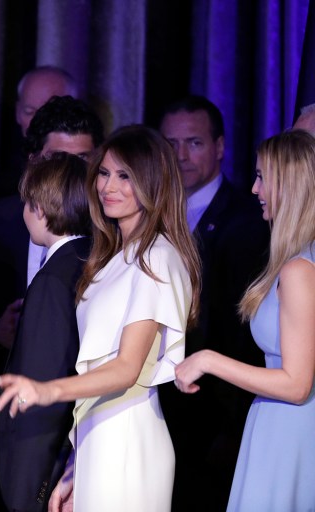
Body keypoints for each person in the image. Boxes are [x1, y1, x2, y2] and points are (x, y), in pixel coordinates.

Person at [0, 125, 202, 512]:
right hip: (95, 437)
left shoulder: (156, 256)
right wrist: (75, 465)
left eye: (125, 176)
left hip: (127, 440)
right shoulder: (111, 258)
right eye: (104, 173)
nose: (108, 186)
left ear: (152, 183)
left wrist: (47, 390)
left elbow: (125, 368)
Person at [0, 95, 103, 511]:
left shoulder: (65, 271)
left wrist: (31, 489)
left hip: (41, 459)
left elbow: (45, 391)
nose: (72, 173)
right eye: (59, 161)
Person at [176, 128, 315, 510]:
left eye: (262, 177)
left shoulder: (299, 270)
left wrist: (208, 360)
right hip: (276, 424)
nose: (255, 189)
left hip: (290, 431)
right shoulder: (295, 262)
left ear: (290, 185)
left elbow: (297, 384)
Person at [158, 95, 269, 511]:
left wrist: (230, 428)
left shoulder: (250, 219)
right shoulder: (145, 212)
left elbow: (246, 333)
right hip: (156, 404)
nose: (181, 156)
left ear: (220, 147)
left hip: (213, 418)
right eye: (170, 144)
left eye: (194, 143)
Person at [0, 152, 91, 512]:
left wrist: (29, 485)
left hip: (40, 459)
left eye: (27, 202)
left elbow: (41, 381)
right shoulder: (86, 258)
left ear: (41, 208)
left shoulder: (53, 278)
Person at [0, 67, 79, 200]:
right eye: (29, 112)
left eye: (50, 112)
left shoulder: (88, 177)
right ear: (18, 112)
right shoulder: (6, 186)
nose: (38, 122)